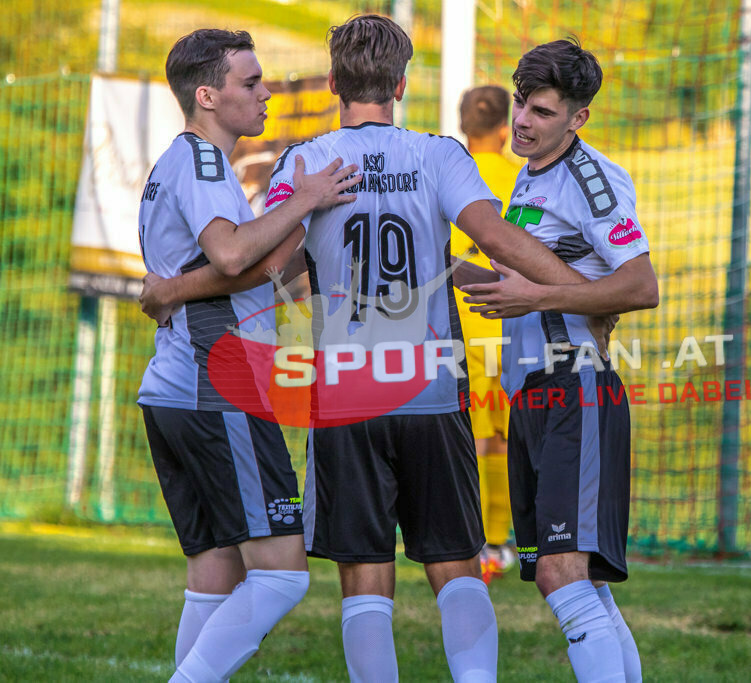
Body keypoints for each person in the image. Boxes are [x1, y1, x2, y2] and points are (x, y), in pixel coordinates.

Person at [140, 14, 602, 683]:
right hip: (431, 387)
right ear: (402, 85)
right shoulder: (441, 154)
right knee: (455, 566)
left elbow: (266, 265)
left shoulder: (304, 162)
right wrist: (588, 293)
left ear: (333, 82)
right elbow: (498, 238)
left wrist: (174, 288)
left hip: (346, 395)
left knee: (364, 577)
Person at [136, 29, 359, 682]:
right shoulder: (203, 162)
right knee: (284, 575)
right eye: (251, 82)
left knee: (216, 570)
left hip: (175, 389)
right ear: (207, 96)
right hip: (216, 389)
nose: (266, 94)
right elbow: (233, 256)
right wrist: (305, 199)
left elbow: (250, 269)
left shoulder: (182, 162)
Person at [460, 38, 659, 682]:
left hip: (577, 388)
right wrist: (437, 263)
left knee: (559, 572)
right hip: (534, 393)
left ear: (578, 118)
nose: (522, 120)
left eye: (542, 111)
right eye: (521, 103)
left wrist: (540, 296)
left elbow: (641, 285)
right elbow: (514, 284)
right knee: (582, 582)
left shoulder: (592, 179)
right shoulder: (528, 172)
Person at [450, 85, 521, 582]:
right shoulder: (521, 178)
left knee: (469, 434)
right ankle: (498, 540)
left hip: (458, 319)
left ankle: (470, 540)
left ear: (462, 128)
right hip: (510, 318)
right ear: (505, 129)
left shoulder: (448, 175)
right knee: (505, 434)